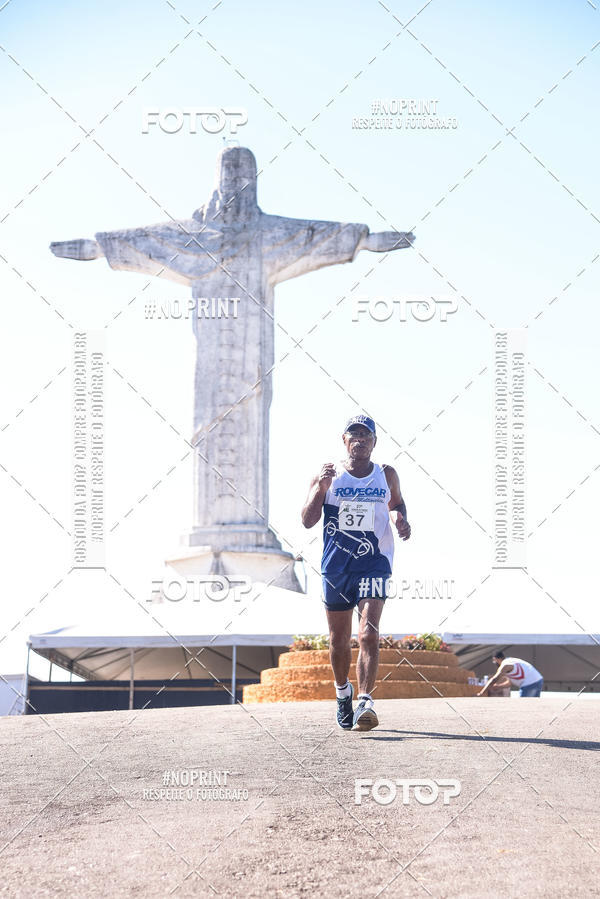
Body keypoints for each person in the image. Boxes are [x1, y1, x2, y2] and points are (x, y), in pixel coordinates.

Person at [301, 415, 411, 731]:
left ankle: (365, 701)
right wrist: (320, 490)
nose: (360, 440)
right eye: (354, 435)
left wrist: (400, 521)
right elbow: (308, 520)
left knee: (368, 633)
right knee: (338, 641)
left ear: (374, 442)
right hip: (336, 566)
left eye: (366, 435)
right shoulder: (329, 475)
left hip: (374, 562)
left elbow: (398, 505)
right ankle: (342, 694)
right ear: (344, 441)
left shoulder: (386, 475)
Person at [477, 651, 544, 697]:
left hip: (530, 683)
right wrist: (498, 686)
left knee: (524, 704)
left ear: (497, 659)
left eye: (494, 661)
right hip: (538, 680)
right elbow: (510, 682)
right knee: (532, 704)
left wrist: (481, 693)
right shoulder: (511, 661)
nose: (495, 663)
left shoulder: (505, 665)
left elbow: (494, 679)